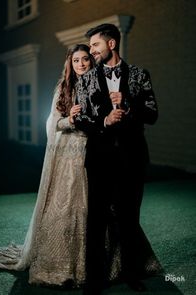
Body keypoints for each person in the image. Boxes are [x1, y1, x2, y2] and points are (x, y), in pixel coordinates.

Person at [0, 44, 92, 286]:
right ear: (70, 64)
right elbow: (52, 124)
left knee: (88, 208)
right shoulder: (63, 88)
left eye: (85, 59)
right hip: (68, 154)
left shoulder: (98, 86)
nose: (81, 64)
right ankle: (61, 262)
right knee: (64, 207)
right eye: (76, 60)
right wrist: (70, 120)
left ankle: (89, 262)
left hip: (91, 153)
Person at [74, 24, 162, 294]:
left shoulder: (139, 74)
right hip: (99, 159)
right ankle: (95, 278)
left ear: (111, 44)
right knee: (97, 220)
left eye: (95, 45)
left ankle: (132, 274)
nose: (91, 51)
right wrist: (104, 120)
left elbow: (152, 113)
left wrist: (129, 104)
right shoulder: (85, 80)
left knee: (129, 218)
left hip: (132, 157)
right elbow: (80, 119)